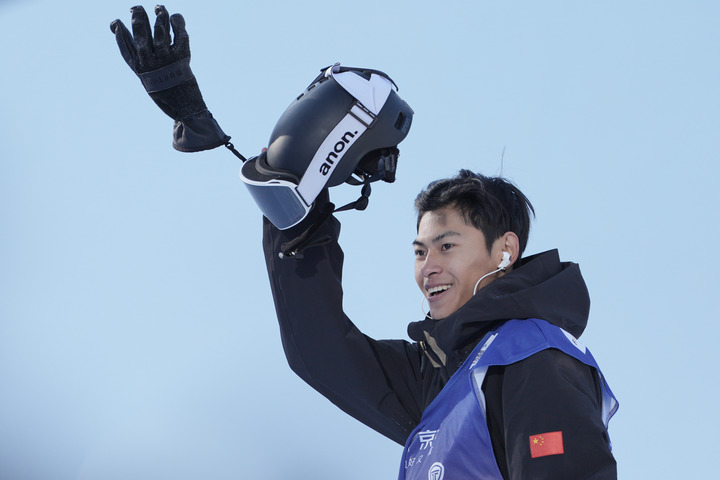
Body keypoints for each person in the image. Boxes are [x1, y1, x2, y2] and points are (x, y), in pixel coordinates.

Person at [110, 6, 618, 479]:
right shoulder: (440, 377)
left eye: (447, 246)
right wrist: (290, 197)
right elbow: (320, 349)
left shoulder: (531, 354)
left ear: (504, 250)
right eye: (419, 251)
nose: (428, 267)